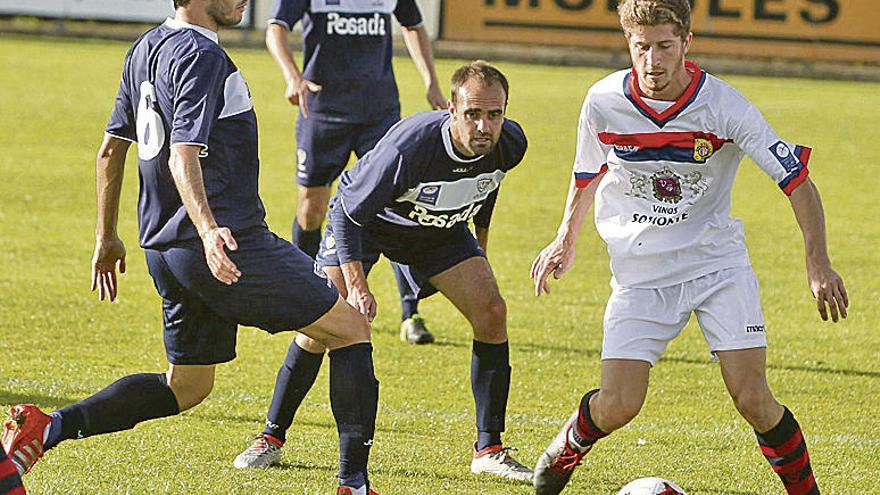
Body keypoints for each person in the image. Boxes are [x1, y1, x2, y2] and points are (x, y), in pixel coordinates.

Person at [0, 2, 381, 494]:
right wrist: (208, 231)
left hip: (165, 249)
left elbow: (111, 149)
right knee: (349, 326)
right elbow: (183, 155)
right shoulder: (201, 54)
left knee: (187, 387)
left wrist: (107, 236)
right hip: (226, 244)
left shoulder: (145, 48)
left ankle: (47, 428)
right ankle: (354, 485)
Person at [529, 1, 847, 494]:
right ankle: (567, 446)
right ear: (627, 44)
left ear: (686, 42)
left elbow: (797, 181)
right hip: (640, 273)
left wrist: (818, 261)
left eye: (664, 47)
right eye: (641, 48)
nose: (652, 61)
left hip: (716, 265)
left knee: (753, 398)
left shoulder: (724, 106)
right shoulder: (602, 101)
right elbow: (586, 174)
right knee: (619, 405)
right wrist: (564, 237)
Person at [241, 60, 534, 482]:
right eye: (473, 113)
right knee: (322, 327)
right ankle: (271, 437)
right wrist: (358, 287)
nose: (485, 126)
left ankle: (488, 448)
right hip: (366, 225)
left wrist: (480, 249)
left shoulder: (510, 143)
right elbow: (345, 214)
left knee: (492, 312)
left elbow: (486, 185)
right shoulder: (411, 147)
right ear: (451, 109)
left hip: (437, 230)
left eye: (495, 114)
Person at [265, 0, 445, 345]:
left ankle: (411, 312)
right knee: (311, 209)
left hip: (379, 114)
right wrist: (293, 77)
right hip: (322, 112)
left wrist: (431, 81)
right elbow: (276, 28)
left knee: (393, 208)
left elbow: (414, 26)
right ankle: (304, 301)